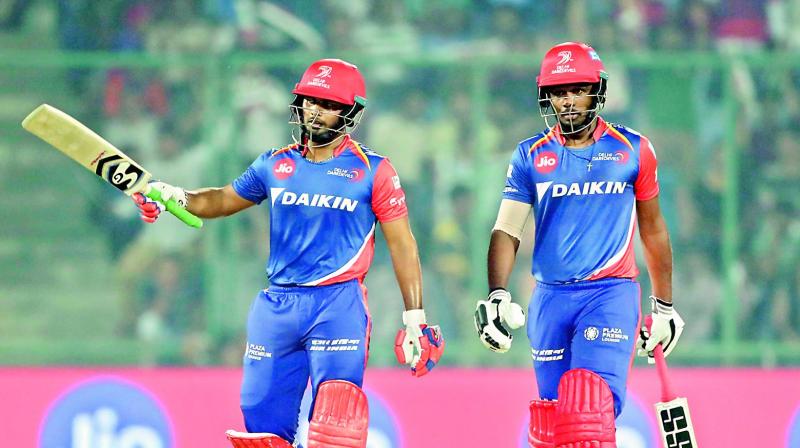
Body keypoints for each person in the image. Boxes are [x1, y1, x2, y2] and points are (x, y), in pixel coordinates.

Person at [132, 58, 444, 448]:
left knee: (337, 424)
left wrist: (415, 317)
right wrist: (172, 196)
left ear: (351, 112)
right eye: (311, 99)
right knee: (262, 431)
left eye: (329, 104)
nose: (316, 110)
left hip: (339, 305)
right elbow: (221, 200)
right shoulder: (275, 164)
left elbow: (403, 243)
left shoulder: (373, 170)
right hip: (278, 305)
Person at [473, 42, 684, 447]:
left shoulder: (632, 150)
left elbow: (653, 230)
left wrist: (665, 306)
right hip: (549, 299)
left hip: (610, 294)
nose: (567, 100)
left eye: (577, 89)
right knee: (553, 426)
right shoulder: (530, 156)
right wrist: (497, 294)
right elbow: (506, 230)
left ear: (597, 91)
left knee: (589, 411)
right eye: (558, 91)